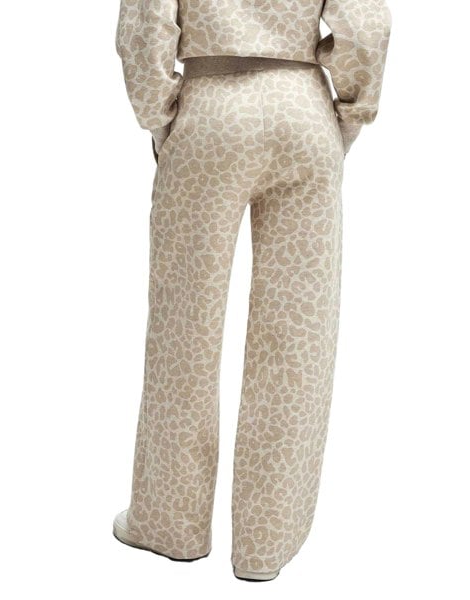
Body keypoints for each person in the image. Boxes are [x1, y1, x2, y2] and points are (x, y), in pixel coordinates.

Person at [112, 0, 391, 582]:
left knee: (183, 329)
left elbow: (145, 24)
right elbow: (365, 22)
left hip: (209, 112)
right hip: (302, 110)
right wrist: (348, 114)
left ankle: (169, 524)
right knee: (297, 339)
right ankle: (267, 543)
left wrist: (159, 116)